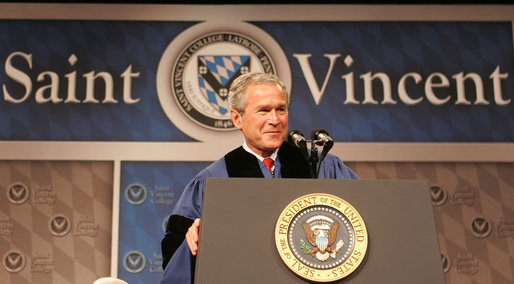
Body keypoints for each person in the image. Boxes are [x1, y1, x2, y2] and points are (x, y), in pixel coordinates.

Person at [160, 72, 358, 283]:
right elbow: (176, 258)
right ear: (237, 118)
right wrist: (193, 242)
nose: (275, 120)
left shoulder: (323, 166)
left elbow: (364, 223)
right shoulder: (212, 181)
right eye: (264, 110)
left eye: (281, 109)